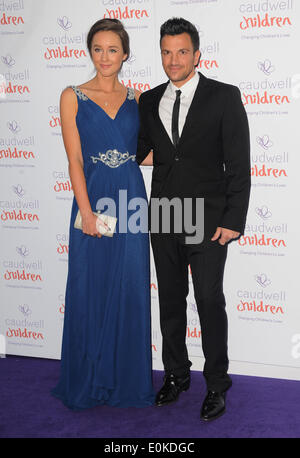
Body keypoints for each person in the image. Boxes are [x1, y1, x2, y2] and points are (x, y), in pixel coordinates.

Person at [137, 17, 251, 421]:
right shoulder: (148, 100)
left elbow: (238, 163)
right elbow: (143, 151)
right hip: (164, 215)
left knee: (208, 300)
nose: (173, 60)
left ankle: (217, 383)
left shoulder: (223, 96)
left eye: (182, 51)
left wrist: (234, 217)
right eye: (167, 52)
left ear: (197, 54)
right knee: (170, 300)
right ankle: (176, 375)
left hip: (208, 218)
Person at [51, 18, 155, 410]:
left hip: (131, 201)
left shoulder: (139, 98)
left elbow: (144, 152)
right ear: (90, 52)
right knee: (89, 285)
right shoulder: (72, 95)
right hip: (92, 199)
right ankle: (89, 377)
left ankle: (126, 380)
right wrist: (86, 211)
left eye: (113, 49)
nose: (105, 57)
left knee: (130, 285)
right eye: (98, 48)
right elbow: (75, 159)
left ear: (125, 53)